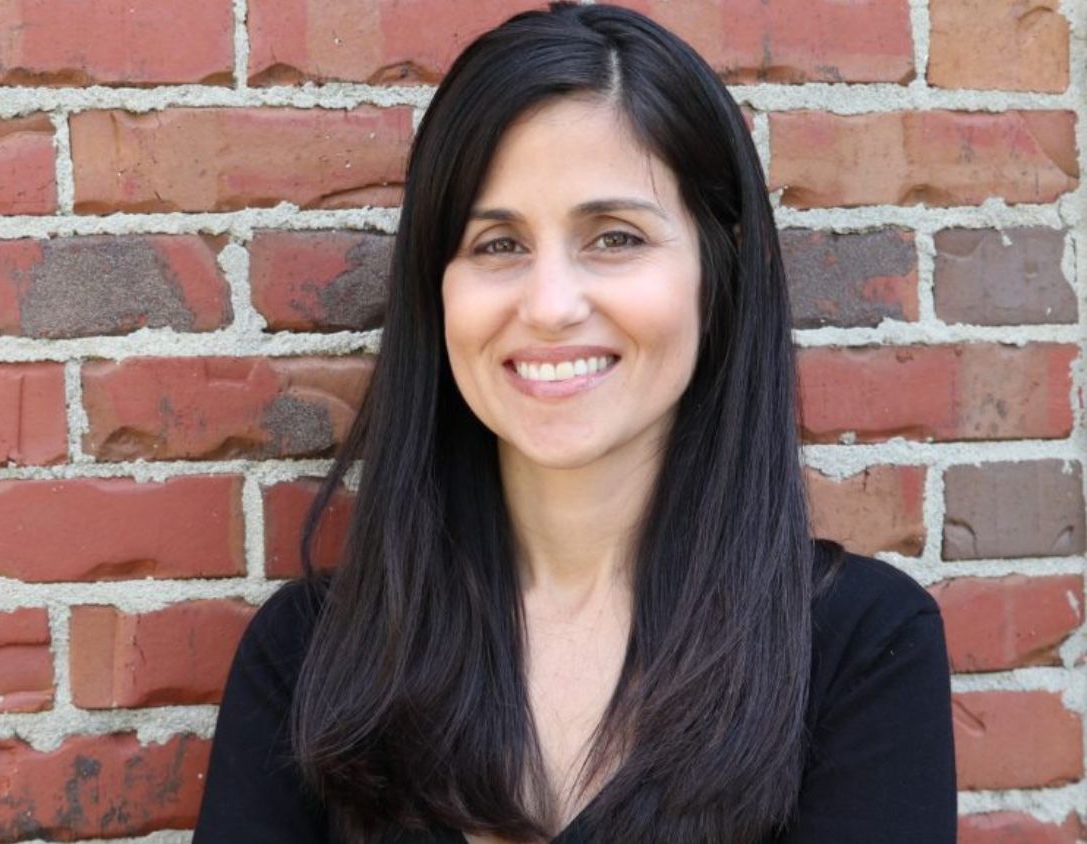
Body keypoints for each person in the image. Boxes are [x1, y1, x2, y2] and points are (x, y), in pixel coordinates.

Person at [192, 3, 957, 842]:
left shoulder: (858, 651)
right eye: (498, 245)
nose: (551, 306)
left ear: (719, 269)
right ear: (435, 289)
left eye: (616, 237)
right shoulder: (311, 662)